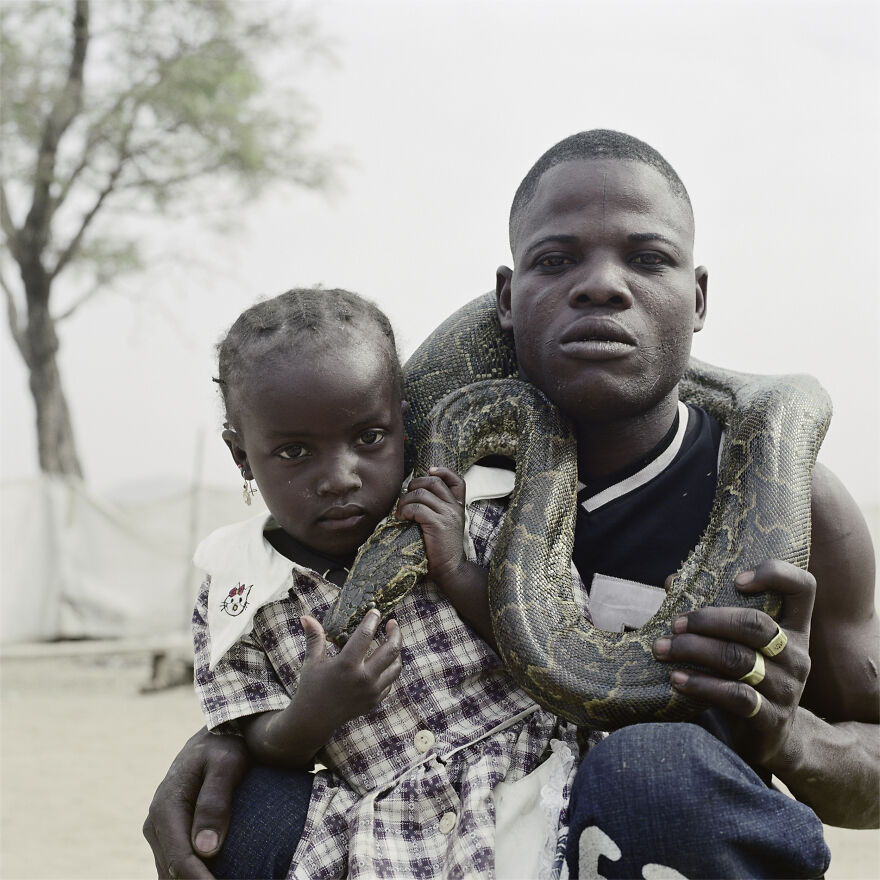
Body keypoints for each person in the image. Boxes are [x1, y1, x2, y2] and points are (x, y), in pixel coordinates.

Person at [144, 132, 878, 879]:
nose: (600, 286)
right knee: (251, 810)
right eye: (556, 261)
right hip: (475, 831)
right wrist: (238, 739)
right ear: (505, 298)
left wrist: (792, 737)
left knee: (656, 772)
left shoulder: (793, 500)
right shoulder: (411, 474)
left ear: (697, 299)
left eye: (648, 258)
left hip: (635, 829)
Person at [183, 286, 590, 879]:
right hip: (394, 834)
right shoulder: (238, 597)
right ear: (242, 457)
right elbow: (255, 741)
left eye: (369, 438)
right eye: (295, 452)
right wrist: (312, 713)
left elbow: (560, 642)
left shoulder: (474, 515)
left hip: (538, 782)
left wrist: (457, 571)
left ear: (404, 423)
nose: (340, 477)